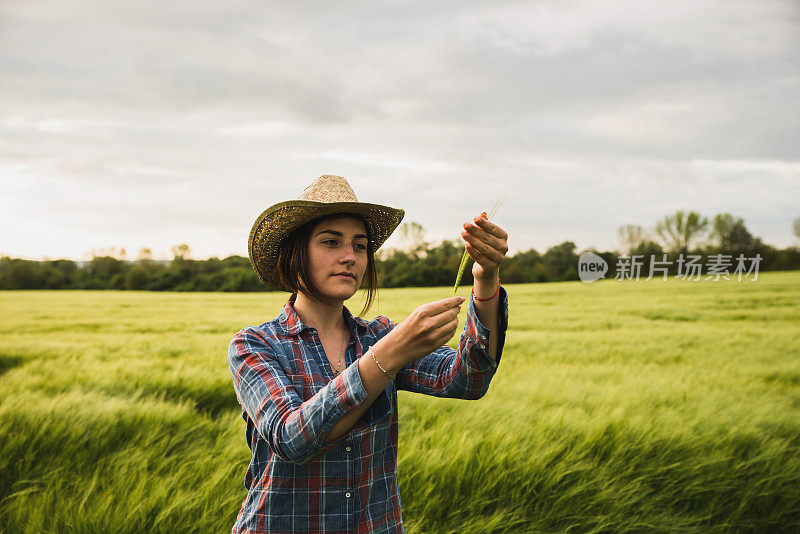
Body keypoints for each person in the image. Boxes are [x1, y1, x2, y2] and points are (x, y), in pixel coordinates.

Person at [227, 174, 510, 533]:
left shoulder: (378, 335)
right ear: (295, 254)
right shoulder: (255, 345)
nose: (350, 257)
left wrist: (486, 278)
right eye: (331, 242)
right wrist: (390, 355)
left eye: (360, 246)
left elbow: (466, 380)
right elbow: (292, 439)